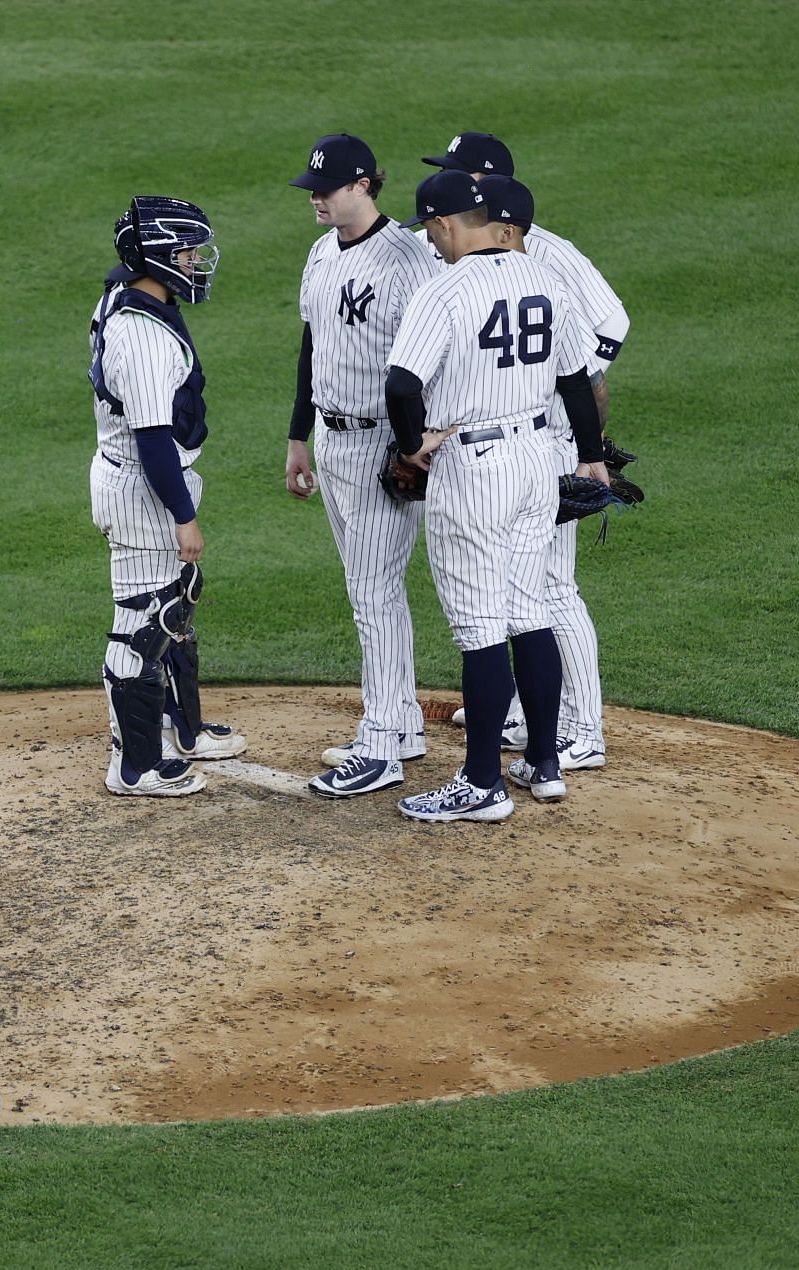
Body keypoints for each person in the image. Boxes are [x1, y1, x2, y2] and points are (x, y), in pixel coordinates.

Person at [384, 171, 611, 822]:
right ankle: (544, 763)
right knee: (528, 608)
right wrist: (590, 457)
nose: (431, 239)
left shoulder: (446, 289)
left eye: (432, 228)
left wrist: (410, 447)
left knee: (482, 626)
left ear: (449, 223)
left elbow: (403, 386)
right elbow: (575, 378)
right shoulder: (542, 277)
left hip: (475, 464)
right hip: (540, 457)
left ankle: (481, 781)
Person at [423, 132, 629, 770]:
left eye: (461, 177)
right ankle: (515, 711)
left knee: (548, 585)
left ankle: (581, 727)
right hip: (506, 436)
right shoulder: (480, 252)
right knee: (512, 591)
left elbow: (607, 329)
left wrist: (577, 437)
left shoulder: (547, 253)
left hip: (544, 441)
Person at [285, 133, 443, 798]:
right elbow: (310, 346)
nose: (317, 197)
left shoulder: (408, 259)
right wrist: (298, 437)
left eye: (330, 187)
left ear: (366, 186)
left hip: (385, 443)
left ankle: (380, 746)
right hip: (331, 435)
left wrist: (417, 444)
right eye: (313, 188)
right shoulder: (321, 254)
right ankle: (400, 722)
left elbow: (437, 353)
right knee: (366, 590)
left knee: (375, 593)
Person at [89, 196, 246, 797]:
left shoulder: (134, 299)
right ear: (154, 257)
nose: (196, 260)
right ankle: (134, 766)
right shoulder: (141, 333)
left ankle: (183, 728)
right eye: (184, 251)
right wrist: (184, 516)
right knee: (142, 621)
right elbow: (153, 438)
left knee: (172, 608)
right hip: (145, 486)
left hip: (141, 477)